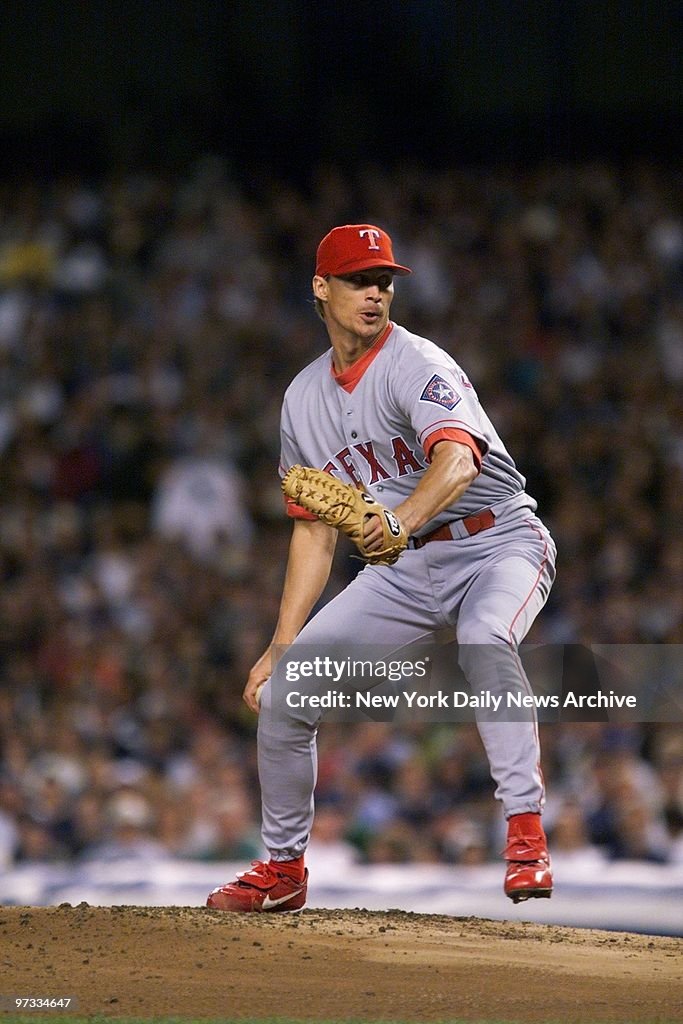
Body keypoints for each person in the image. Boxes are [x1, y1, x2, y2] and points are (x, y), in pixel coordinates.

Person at [207, 224, 557, 912]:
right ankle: (282, 872)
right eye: (357, 280)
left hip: (497, 542)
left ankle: (525, 835)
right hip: (404, 570)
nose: (373, 293)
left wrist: (400, 518)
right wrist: (280, 644)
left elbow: (456, 459)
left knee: (486, 638)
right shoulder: (303, 400)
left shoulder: (415, 362)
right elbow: (313, 529)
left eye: (383, 282)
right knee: (287, 692)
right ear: (321, 288)